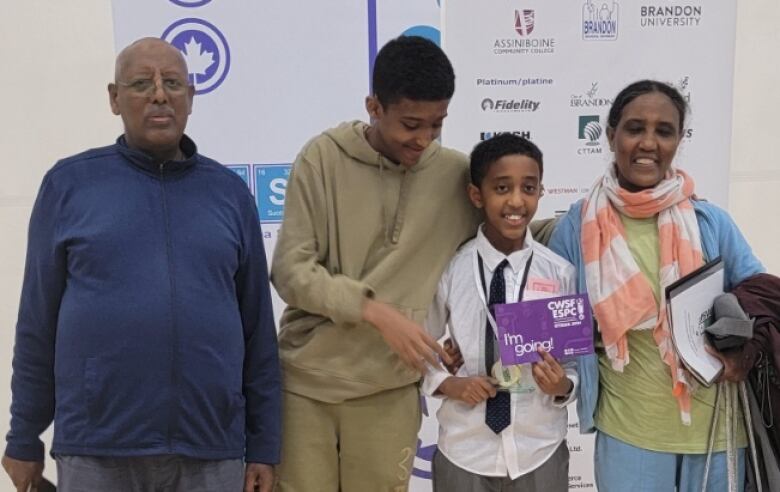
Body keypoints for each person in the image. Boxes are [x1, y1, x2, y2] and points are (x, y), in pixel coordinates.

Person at [2, 38, 280, 492]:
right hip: (97, 450)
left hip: (210, 449)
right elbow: (37, 324)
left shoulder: (230, 195)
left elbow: (257, 332)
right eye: (140, 83)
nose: (159, 94)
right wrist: (23, 436)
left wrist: (265, 445)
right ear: (114, 98)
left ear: (190, 97)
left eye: (173, 83)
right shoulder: (69, 186)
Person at [270, 35, 478, 491]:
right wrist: (377, 312)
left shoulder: (455, 176)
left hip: (389, 392)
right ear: (374, 107)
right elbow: (290, 270)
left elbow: (510, 227)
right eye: (410, 124)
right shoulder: (322, 158)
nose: (423, 140)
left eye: (437, 125)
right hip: (306, 386)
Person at [548, 79, 765, 491]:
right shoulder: (577, 227)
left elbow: (760, 295)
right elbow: (557, 323)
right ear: (611, 135)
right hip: (630, 433)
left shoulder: (709, 222)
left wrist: (745, 356)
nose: (648, 142)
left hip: (717, 431)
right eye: (634, 128)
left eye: (663, 131)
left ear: (678, 141)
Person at [422, 133, 577, 491]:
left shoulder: (558, 273)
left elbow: (572, 362)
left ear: (541, 192)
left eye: (529, 188)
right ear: (477, 195)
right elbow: (421, 345)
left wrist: (562, 386)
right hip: (465, 448)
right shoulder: (452, 269)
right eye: (502, 188)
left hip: (539, 446)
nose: (516, 201)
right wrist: (450, 383)